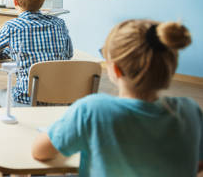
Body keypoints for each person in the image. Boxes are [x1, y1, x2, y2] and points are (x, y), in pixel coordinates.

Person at [32, 20, 202, 177]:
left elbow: (39, 151)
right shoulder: (191, 111)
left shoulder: (92, 110)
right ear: (170, 68)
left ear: (116, 69)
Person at [0, 0, 73, 106]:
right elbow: (68, 54)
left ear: (15, 2)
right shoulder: (59, 24)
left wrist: (12, 52)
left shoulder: (12, 27)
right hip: (58, 99)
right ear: (43, 1)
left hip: (27, 99)